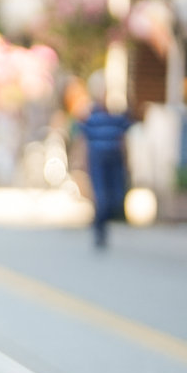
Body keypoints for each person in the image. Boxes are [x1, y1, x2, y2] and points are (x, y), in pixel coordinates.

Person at [77, 75, 132, 249]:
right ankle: (99, 229)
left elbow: (124, 140)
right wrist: (80, 162)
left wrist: (127, 161)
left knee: (116, 196)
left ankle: (100, 222)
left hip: (115, 160)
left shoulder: (117, 117)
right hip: (98, 160)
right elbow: (83, 141)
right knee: (101, 196)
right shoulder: (90, 117)